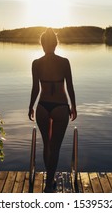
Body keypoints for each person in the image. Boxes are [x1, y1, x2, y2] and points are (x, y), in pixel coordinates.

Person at [28, 28, 77, 193]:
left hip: (42, 107)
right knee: (55, 148)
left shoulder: (36, 63)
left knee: (46, 145)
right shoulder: (64, 62)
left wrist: (30, 106)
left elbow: (35, 88)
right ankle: (49, 184)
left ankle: (49, 179)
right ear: (56, 44)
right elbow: (69, 86)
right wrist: (74, 106)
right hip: (60, 107)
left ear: (42, 44)